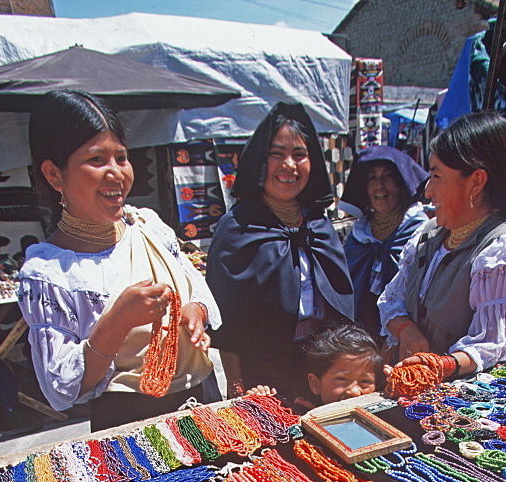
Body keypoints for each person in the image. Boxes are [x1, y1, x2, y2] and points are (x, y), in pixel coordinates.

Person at [18, 89, 221, 431]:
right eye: (96, 160)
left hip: (201, 404)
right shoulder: (49, 273)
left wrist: (193, 313)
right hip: (129, 430)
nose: (117, 174)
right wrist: (118, 321)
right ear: (55, 175)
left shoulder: (147, 226)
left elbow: (194, 286)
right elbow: (62, 388)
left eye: (122, 158)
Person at [206, 102, 354, 400]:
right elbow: (227, 322)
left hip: (322, 364)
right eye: (277, 154)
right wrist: (236, 386)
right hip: (264, 374)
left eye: (299, 155)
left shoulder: (318, 224)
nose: (289, 165)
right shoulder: (238, 228)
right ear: (261, 162)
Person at [378, 111, 506, 379]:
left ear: (476, 182)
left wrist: (438, 367)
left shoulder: (500, 252)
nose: (427, 191)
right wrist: (408, 330)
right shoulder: (428, 235)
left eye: (437, 176)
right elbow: (391, 299)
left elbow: (489, 343)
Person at [341, 146, 428, 334]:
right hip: (361, 332)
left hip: (406, 332)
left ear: (402, 183)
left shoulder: (420, 231)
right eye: (372, 177)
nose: (379, 185)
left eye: (387, 176)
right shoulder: (359, 234)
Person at [292, 322, 384, 413]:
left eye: (365, 381)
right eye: (342, 379)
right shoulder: (296, 421)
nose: (355, 392)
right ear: (315, 384)